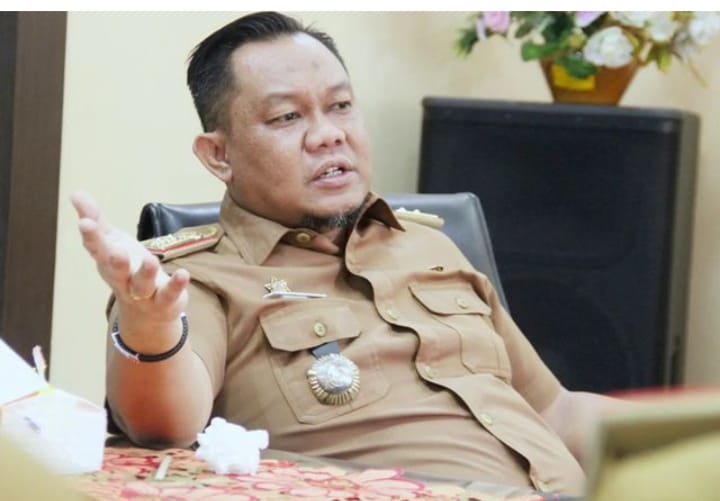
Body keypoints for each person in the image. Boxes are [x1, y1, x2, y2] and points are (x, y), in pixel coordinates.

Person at [72, 11, 621, 495]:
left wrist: (671, 436)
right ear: (219, 156)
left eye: (340, 107)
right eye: (287, 117)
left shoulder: (428, 244)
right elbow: (165, 427)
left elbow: (555, 409)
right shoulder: (194, 279)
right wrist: (150, 325)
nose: (328, 135)